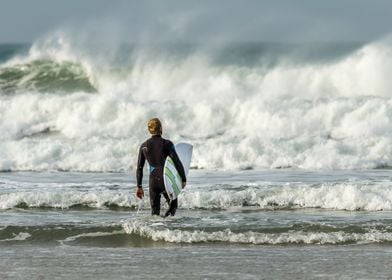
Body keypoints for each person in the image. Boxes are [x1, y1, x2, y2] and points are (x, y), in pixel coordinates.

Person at [136, 118, 186, 216]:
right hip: (166, 179)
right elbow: (177, 162)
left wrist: (139, 187)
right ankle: (167, 225)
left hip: (153, 181)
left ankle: (156, 230)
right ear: (161, 129)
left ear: (149, 130)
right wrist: (183, 179)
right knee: (173, 206)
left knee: (154, 213)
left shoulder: (143, 146)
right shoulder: (167, 144)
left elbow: (139, 168)